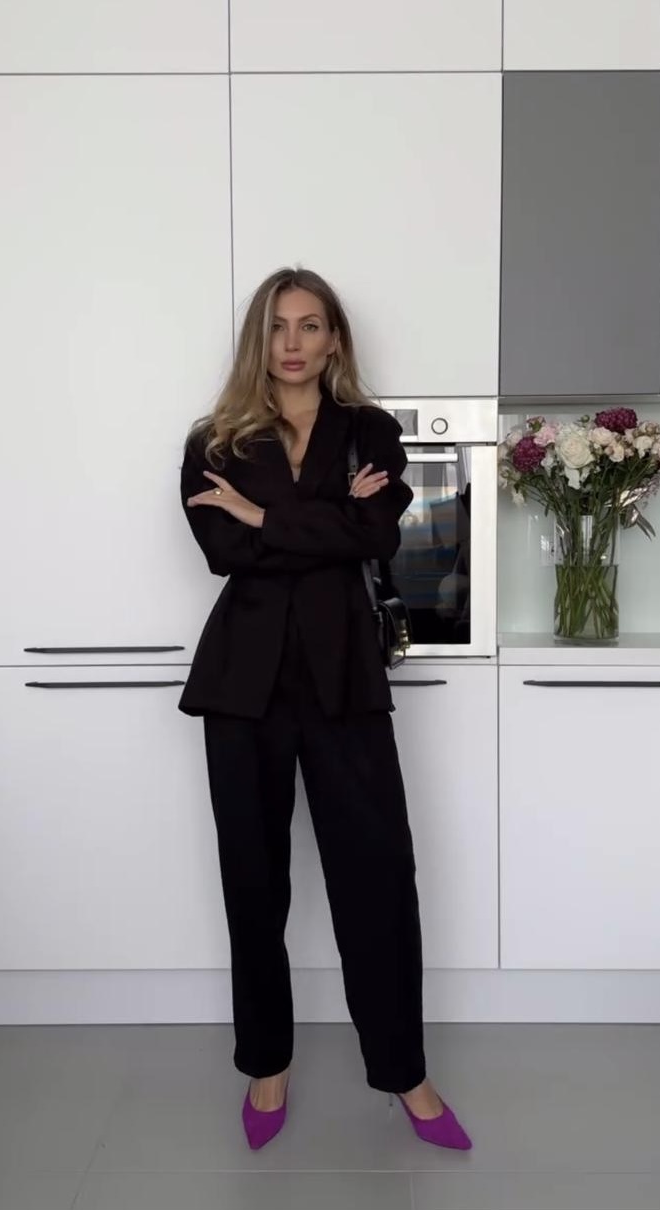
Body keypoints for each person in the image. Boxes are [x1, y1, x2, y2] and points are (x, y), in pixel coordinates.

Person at [178, 267, 472, 1153]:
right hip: (242, 686)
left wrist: (264, 517)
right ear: (258, 340)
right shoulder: (213, 439)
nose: (293, 343)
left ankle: (404, 1072)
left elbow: (374, 536)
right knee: (253, 881)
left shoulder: (369, 430)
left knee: (377, 877)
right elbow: (223, 552)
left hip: (345, 679)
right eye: (277, 326)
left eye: (310, 325)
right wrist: (320, 523)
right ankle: (266, 1063)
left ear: (334, 337)